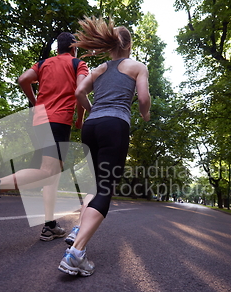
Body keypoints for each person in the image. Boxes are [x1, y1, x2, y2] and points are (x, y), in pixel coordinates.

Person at [0, 32, 89, 241]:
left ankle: (49, 225)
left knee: (52, 174)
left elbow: (23, 79)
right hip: (58, 120)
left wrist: (34, 102)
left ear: (58, 48)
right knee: (48, 170)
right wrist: (80, 118)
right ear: (74, 48)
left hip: (38, 120)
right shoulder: (78, 64)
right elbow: (81, 92)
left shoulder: (43, 63)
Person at [58, 17, 151, 277]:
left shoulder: (98, 69)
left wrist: (92, 111)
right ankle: (76, 254)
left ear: (109, 46)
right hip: (115, 126)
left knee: (95, 184)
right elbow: (143, 98)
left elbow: (79, 94)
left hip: (92, 127)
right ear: (129, 46)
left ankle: (79, 228)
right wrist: (145, 114)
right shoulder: (137, 67)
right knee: (106, 187)